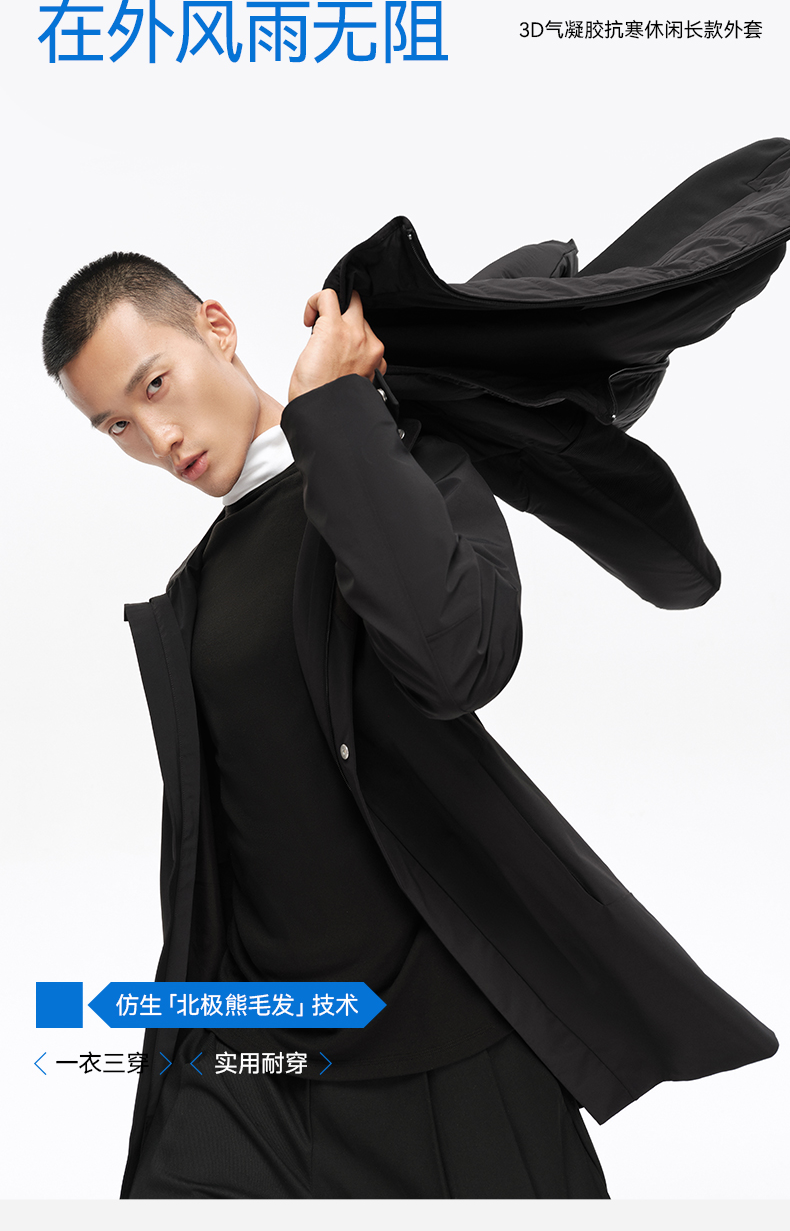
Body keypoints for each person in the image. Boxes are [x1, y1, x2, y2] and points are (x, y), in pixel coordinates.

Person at [43, 165, 781, 1197]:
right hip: (258, 1056)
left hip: (447, 1053)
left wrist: (339, 413)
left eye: (153, 384)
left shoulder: (393, 464)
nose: (155, 440)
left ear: (216, 327)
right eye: (115, 426)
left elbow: (457, 657)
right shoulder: (195, 590)